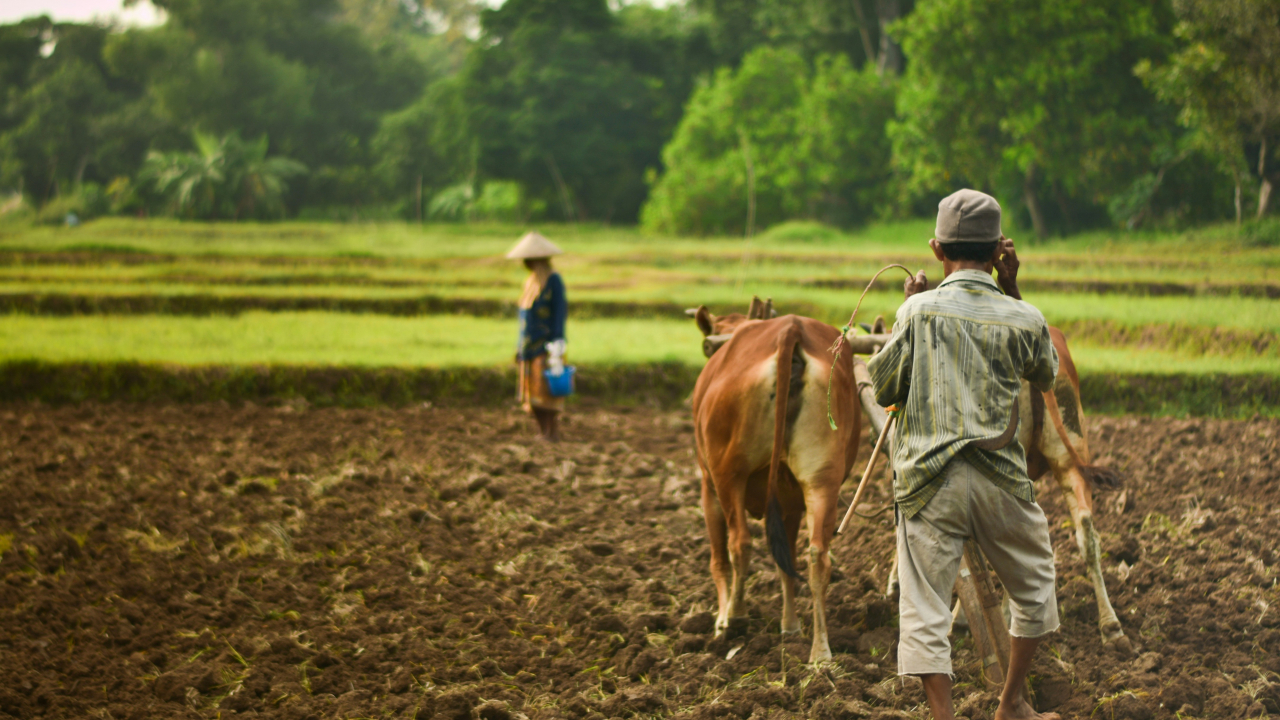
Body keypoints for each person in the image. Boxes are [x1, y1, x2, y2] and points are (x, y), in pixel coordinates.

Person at [866, 189, 1061, 720]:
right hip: (1002, 481)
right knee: (1037, 587)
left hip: (929, 484)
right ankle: (1012, 701)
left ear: (936, 249)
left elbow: (883, 387)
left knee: (926, 610)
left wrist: (910, 306)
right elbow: (1046, 375)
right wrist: (1013, 288)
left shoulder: (918, 311)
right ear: (1000, 249)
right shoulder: (1023, 316)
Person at [507, 231, 569, 442]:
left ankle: (552, 432)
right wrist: (519, 348)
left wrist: (557, 344)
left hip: (547, 346)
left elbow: (559, 314)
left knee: (547, 395)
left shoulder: (553, 282)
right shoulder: (530, 283)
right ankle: (543, 431)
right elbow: (525, 321)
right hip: (529, 347)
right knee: (531, 397)